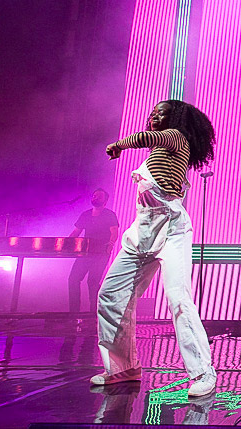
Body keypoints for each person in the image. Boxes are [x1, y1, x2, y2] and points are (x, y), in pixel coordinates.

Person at [90, 100, 217, 397]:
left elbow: (146, 137)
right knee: (110, 294)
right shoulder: (159, 151)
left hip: (171, 229)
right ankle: (122, 367)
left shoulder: (175, 137)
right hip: (142, 229)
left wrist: (118, 145)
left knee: (179, 300)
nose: (153, 116)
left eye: (161, 112)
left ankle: (203, 372)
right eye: (152, 113)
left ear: (174, 119)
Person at [68, 189, 119, 313]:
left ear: (105, 201)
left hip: (101, 253)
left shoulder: (109, 215)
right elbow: (76, 232)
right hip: (84, 253)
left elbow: (114, 231)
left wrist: (110, 244)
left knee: (93, 282)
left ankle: (94, 313)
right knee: (73, 279)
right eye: (94, 196)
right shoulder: (85, 215)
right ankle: (74, 312)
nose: (95, 198)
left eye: (99, 196)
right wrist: (66, 243)